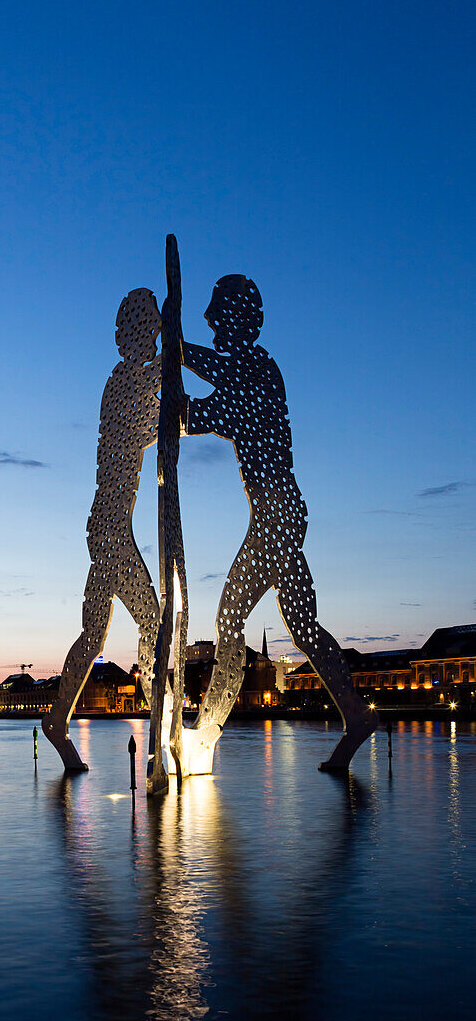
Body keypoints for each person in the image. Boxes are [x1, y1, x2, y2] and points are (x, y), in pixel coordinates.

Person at [181, 275, 376, 772]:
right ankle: (355, 717)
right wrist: (178, 351)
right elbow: (216, 373)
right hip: (284, 511)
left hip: (276, 514)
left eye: (215, 311)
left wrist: (175, 384)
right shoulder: (254, 366)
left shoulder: (255, 372)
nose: (207, 319)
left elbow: (209, 411)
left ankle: (206, 733)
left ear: (236, 319)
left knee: (229, 621)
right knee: (305, 628)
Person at [42, 289, 163, 771]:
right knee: (152, 624)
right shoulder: (124, 385)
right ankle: (160, 721)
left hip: (108, 524)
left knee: (93, 633)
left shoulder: (128, 380)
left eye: (157, 331)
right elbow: (157, 419)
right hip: (112, 526)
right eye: (150, 331)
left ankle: (56, 721)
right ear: (133, 336)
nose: (154, 339)